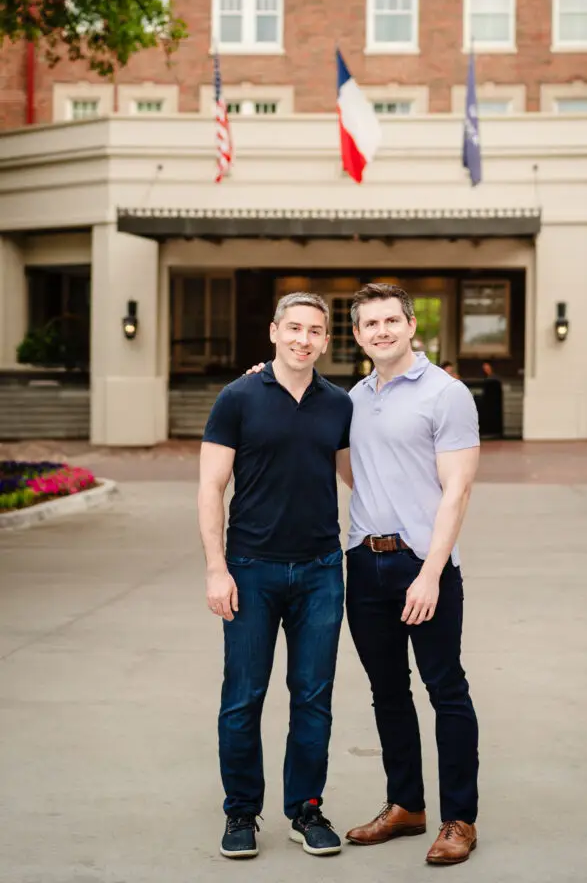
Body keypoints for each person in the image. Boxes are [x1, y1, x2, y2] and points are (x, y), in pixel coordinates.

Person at [198, 292, 352, 860]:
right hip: (250, 570)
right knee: (243, 696)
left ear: (326, 340)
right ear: (273, 331)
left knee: (313, 696)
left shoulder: (339, 404)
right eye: (293, 328)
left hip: (320, 571)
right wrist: (217, 569)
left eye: (315, 330)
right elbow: (211, 486)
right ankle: (241, 811)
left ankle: (305, 809)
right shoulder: (237, 398)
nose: (302, 339)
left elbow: (358, 477)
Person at [344, 283, 481, 866]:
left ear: (410, 325)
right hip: (363, 563)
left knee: (445, 690)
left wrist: (428, 572)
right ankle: (406, 805)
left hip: (423, 566)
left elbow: (458, 489)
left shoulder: (446, 393)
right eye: (369, 323)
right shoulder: (352, 397)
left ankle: (459, 819)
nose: (381, 331)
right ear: (356, 335)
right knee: (386, 692)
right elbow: (355, 471)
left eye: (391, 320)